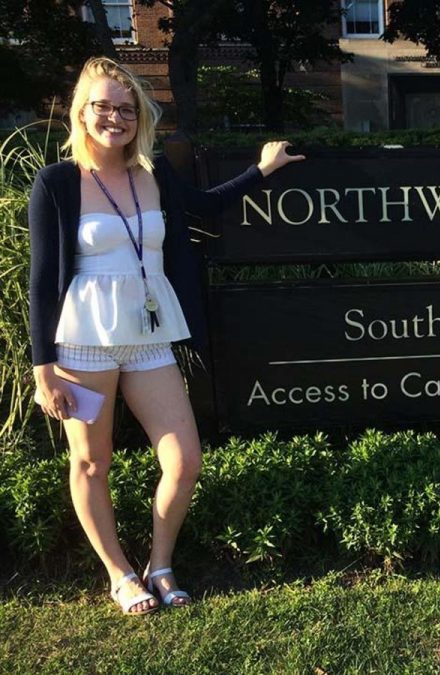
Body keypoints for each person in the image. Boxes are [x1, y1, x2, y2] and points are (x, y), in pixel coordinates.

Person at [28, 57, 303, 615]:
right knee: (91, 463)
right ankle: (119, 574)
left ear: (139, 119)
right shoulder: (57, 182)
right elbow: (40, 280)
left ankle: (160, 562)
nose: (115, 118)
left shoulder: (152, 176)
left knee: (183, 460)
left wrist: (262, 170)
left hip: (149, 334)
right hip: (84, 340)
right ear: (82, 113)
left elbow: (204, 207)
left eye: (126, 109)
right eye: (103, 106)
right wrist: (43, 369)